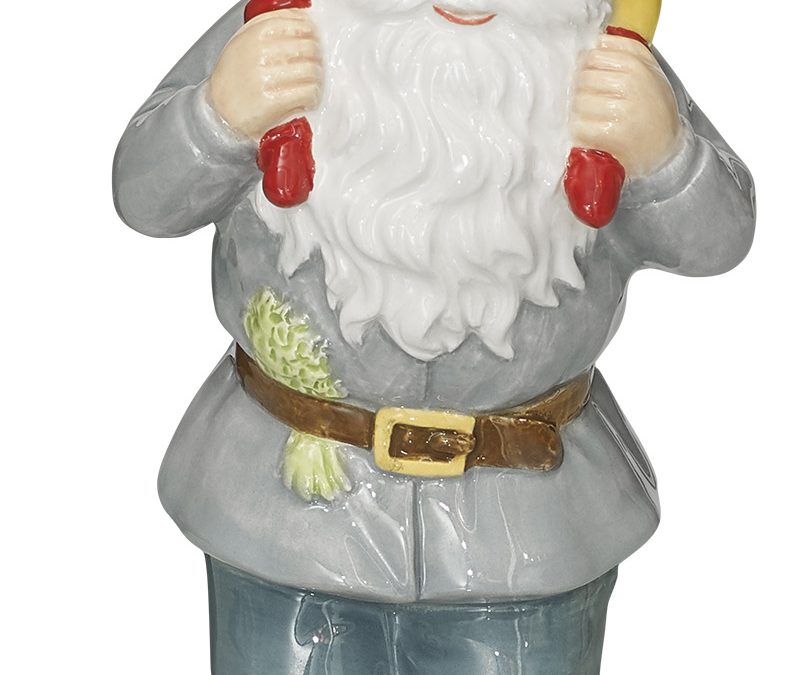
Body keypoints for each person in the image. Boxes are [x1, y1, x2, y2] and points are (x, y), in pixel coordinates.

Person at [113, 0, 755, 672]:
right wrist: (216, 117)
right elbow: (145, 197)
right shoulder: (281, 29)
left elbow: (719, 239)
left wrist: (665, 158)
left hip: (524, 523)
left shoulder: (601, 56)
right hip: (288, 517)